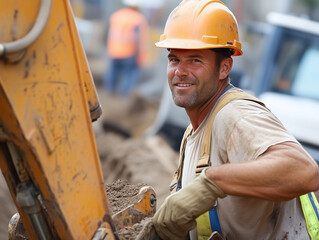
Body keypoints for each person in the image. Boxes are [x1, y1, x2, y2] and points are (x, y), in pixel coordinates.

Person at [152, 0, 319, 239]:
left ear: (224, 68)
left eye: (195, 60)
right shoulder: (194, 132)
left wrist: (212, 182)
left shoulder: (233, 115)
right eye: (174, 59)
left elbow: (303, 170)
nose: (180, 71)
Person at [103, 0, 149, 96]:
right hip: (129, 52)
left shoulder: (116, 16)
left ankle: (108, 93)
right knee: (130, 75)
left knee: (113, 73)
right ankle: (124, 97)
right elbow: (137, 38)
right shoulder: (138, 19)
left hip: (114, 51)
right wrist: (140, 55)